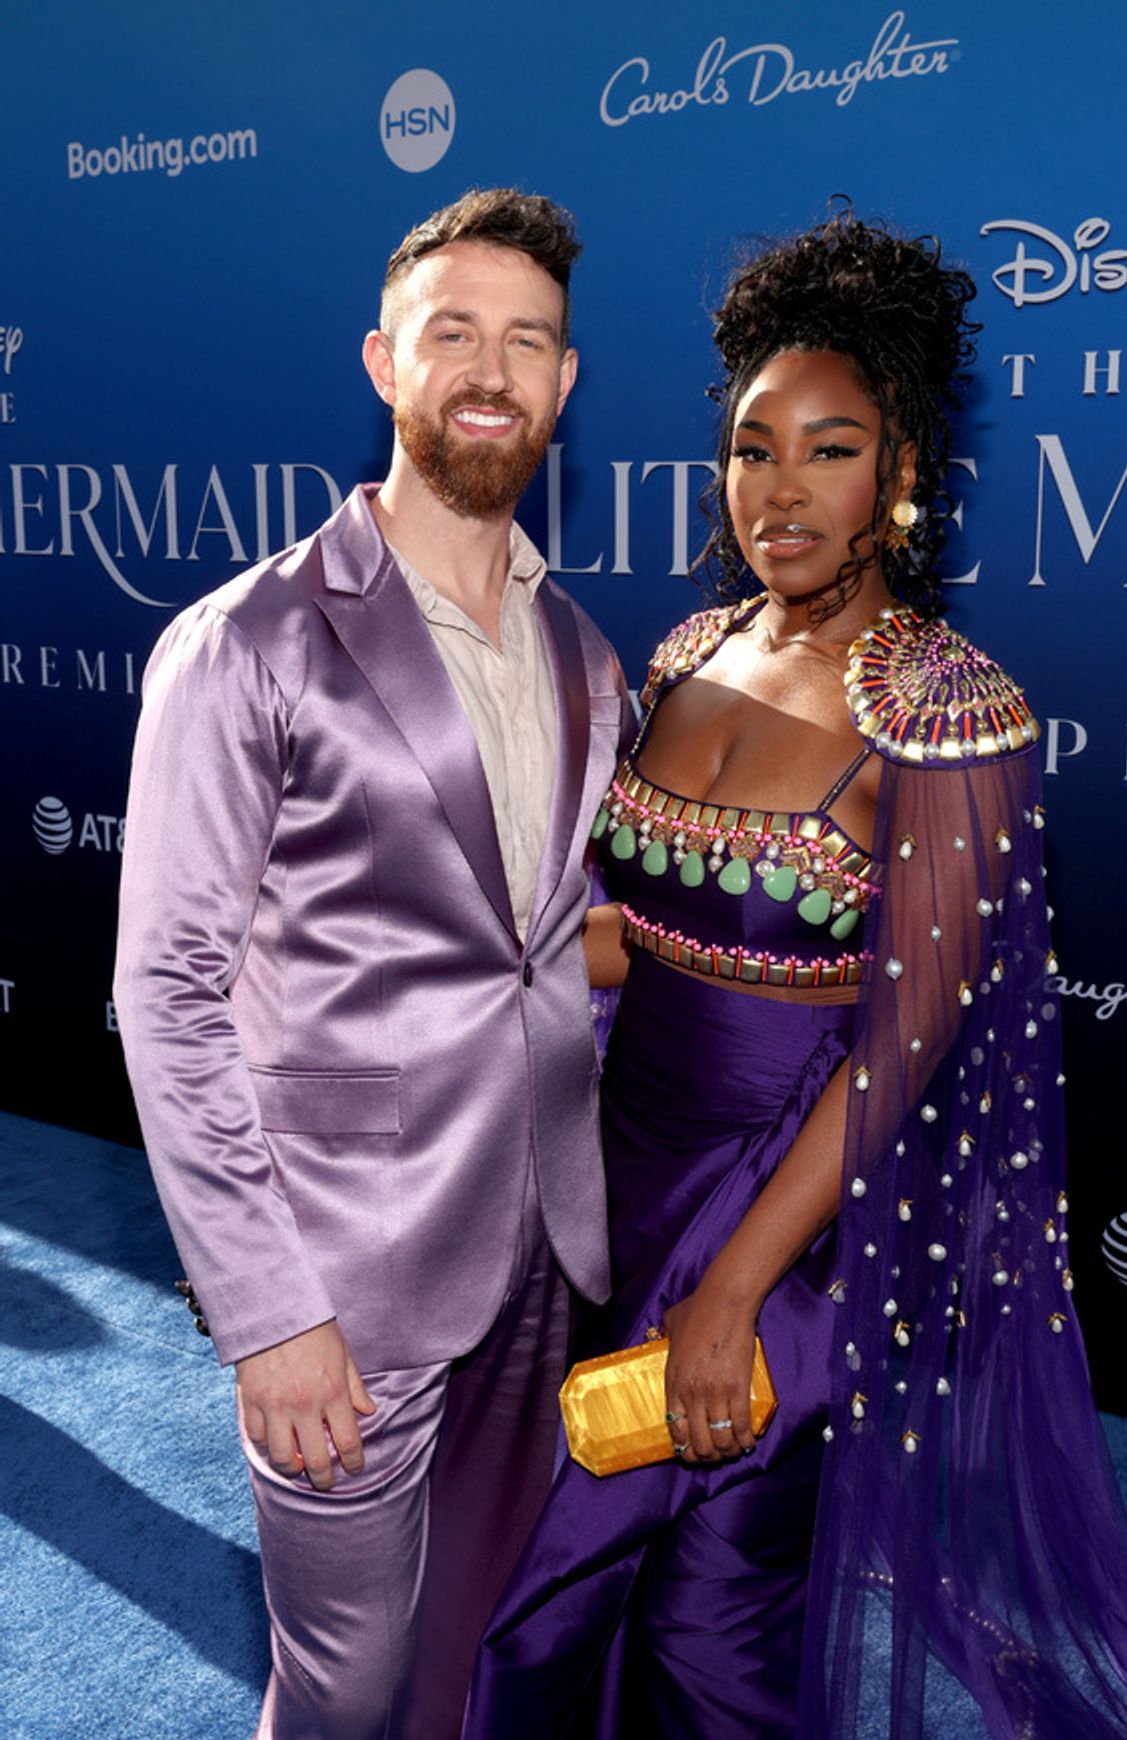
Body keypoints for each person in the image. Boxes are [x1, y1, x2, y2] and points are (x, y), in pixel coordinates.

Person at [466, 211, 1127, 1738]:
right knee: (565, 1596)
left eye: (829, 449)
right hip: (615, 1172)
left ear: (907, 474)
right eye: (751, 448)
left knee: (705, 1611)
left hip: (790, 1218)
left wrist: (735, 1290)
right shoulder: (687, 652)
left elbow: (908, 1044)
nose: (778, 491)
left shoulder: (950, 711)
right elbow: (632, 936)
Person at [113, 187, 631, 1740]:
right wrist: (268, 1310)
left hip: (547, 1243)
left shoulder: (584, 651)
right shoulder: (250, 640)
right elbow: (166, 994)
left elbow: (552, 944)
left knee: (466, 1636)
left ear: (564, 385)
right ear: (382, 363)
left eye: (525, 341)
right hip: (346, 1274)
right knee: (342, 1685)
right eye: (452, 333)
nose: (491, 368)